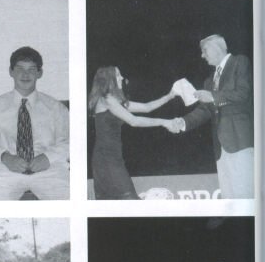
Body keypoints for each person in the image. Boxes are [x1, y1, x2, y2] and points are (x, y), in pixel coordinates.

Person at [0, 47, 69, 200]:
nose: (25, 74)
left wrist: (48, 157)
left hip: (50, 169)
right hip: (6, 170)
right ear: (11, 71)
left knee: (69, 201)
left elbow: (70, 142)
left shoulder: (55, 108)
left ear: (39, 73)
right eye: (20, 69)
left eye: (31, 69)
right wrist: (5, 157)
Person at [175, 35, 254, 199]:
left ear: (217, 47)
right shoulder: (209, 81)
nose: (202, 55)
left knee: (245, 195)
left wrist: (212, 96)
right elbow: (205, 110)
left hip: (240, 142)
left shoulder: (240, 62)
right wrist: (183, 122)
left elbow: (243, 93)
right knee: (229, 198)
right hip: (220, 149)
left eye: (204, 50)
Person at [87, 66, 181, 199]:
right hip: (106, 159)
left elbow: (147, 107)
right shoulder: (107, 100)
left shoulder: (115, 101)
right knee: (129, 200)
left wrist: (170, 96)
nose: (121, 78)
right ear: (109, 79)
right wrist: (164, 122)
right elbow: (134, 121)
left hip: (112, 157)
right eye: (118, 75)